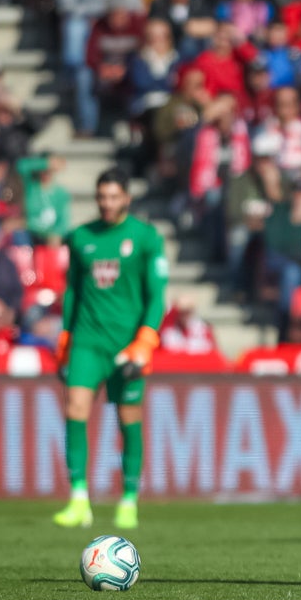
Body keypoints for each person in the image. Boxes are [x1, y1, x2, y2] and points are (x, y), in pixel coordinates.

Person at [53, 168, 169, 531]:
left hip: (127, 344)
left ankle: (129, 499)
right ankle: (78, 499)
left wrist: (145, 341)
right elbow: (72, 290)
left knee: (128, 418)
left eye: (114, 196)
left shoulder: (146, 238)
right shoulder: (80, 237)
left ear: (127, 198)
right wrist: (66, 337)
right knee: (74, 409)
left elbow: (157, 296)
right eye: (102, 197)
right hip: (88, 341)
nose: (107, 203)